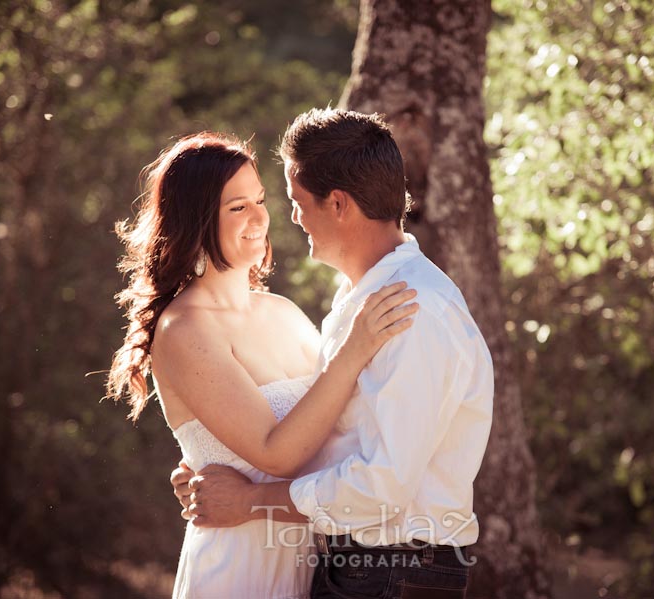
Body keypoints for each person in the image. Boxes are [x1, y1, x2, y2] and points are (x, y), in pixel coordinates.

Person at [171, 109, 494, 598]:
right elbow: (322, 429)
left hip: (394, 570)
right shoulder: (358, 303)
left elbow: (380, 488)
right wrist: (210, 467)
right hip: (352, 566)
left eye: (296, 201)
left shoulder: (412, 310)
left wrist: (252, 499)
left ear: (338, 203)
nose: (289, 216)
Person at [105, 131, 420, 599]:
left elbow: (337, 420)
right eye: (237, 207)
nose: (259, 218)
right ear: (195, 220)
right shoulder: (184, 330)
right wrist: (356, 348)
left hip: (314, 559)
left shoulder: (283, 312)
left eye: (260, 200)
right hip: (240, 566)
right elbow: (277, 452)